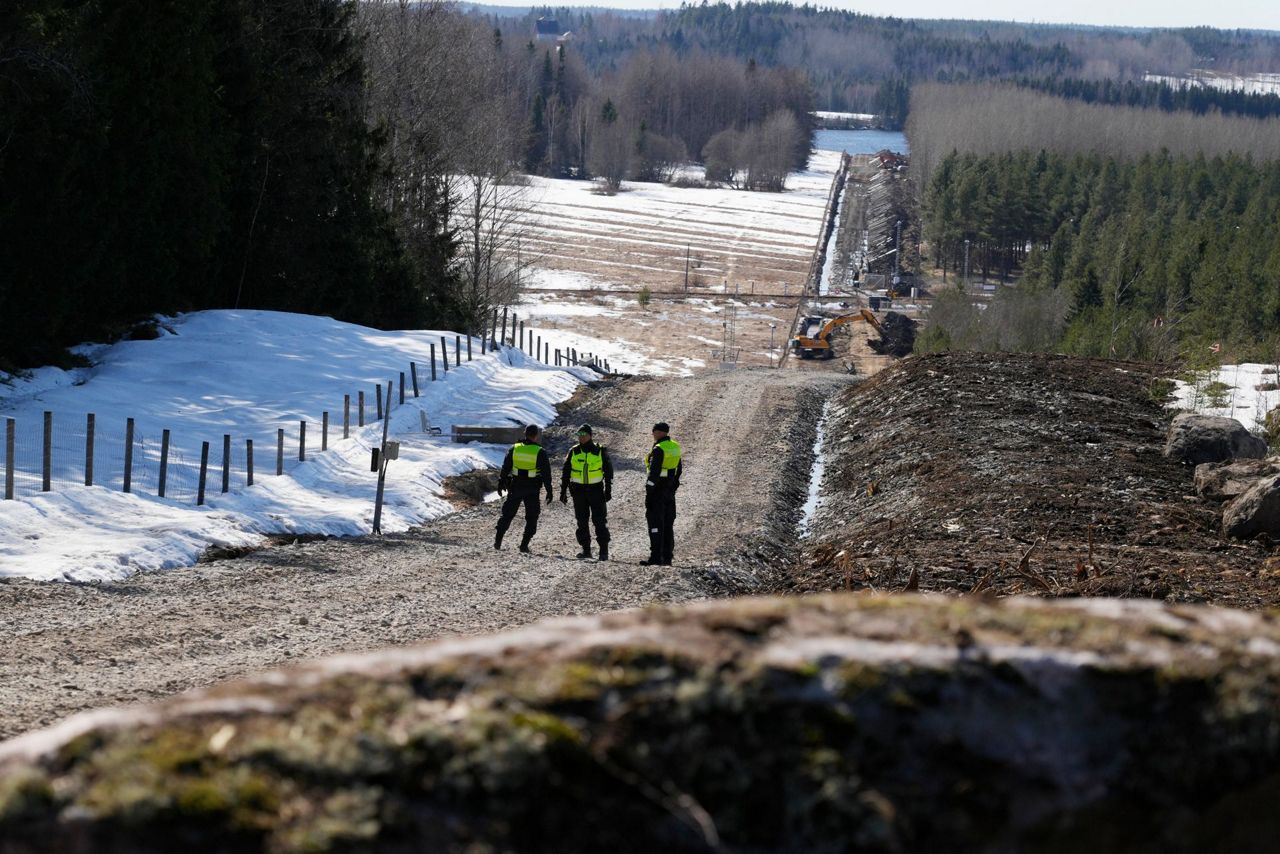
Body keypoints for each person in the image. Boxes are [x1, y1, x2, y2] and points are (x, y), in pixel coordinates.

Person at [495, 424, 553, 553]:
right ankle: (524, 545)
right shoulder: (540, 451)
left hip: (516, 486)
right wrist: (549, 490)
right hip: (532, 488)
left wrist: (500, 482)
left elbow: (506, 467)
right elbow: (546, 473)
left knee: (507, 514)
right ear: (536, 436)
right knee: (532, 517)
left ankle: (498, 541)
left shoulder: (514, 448)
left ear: (524, 433)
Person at [560, 423, 613, 560]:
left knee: (599, 520)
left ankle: (603, 552)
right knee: (581, 521)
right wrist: (563, 491)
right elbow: (566, 472)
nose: (581, 437)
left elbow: (608, 471)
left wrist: (608, 489)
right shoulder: (573, 451)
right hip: (578, 491)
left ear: (590, 435)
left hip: (596, 490)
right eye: (579, 435)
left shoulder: (600, 450)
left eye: (584, 434)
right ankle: (586, 550)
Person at [641, 422, 682, 566]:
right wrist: (673, 485)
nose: (653, 434)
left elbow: (654, 473)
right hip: (669, 490)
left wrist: (649, 490)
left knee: (655, 523)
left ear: (658, 432)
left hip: (658, 490)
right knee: (668, 523)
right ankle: (667, 557)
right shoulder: (675, 446)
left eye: (653, 432)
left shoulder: (659, 448)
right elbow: (679, 469)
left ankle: (655, 558)